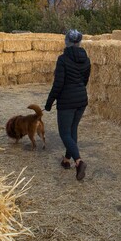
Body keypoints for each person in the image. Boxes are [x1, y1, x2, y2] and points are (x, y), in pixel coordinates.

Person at [45, 29, 91, 181]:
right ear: (79, 42)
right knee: (72, 130)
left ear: (67, 42)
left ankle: (78, 162)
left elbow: (58, 84)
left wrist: (49, 101)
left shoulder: (63, 59)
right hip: (81, 100)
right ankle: (66, 160)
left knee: (64, 133)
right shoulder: (86, 59)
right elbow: (85, 80)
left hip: (67, 102)